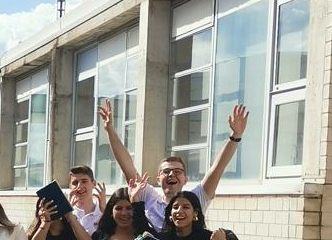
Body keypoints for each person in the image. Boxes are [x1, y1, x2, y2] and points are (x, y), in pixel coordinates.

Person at [98, 99, 250, 231]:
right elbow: (126, 165)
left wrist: (235, 136)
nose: (171, 174)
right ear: (158, 179)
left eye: (177, 171)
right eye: (166, 171)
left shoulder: (195, 199)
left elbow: (217, 169)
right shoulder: (149, 198)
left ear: (185, 179)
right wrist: (110, 130)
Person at [67, 166, 105, 233]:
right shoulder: (66, 214)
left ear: (93, 184)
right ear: (70, 186)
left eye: (84, 181)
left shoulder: (102, 212)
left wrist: (105, 212)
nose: (79, 186)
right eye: (75, 183)